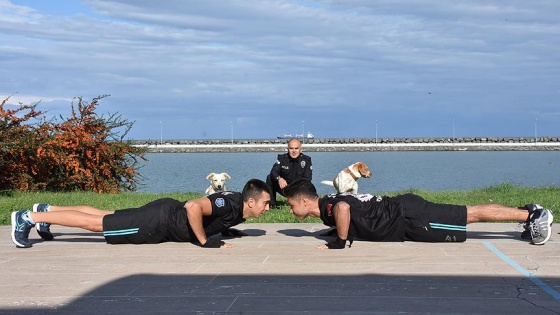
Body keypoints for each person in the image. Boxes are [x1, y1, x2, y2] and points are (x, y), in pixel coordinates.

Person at [283, 179, 554, 249]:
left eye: (293, 205)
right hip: (406, 212)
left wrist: (340, 242)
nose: (293, 210)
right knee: (467, 215)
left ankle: (532, 217)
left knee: (468, 215)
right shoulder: (328, 202)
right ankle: (526, 213)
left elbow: (344, 210)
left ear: (305, 201)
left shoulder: (331, 206)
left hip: (409, 218)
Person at [11, 179, 271, 249]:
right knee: (97, 224)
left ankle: (47, 211)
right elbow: (193, 207)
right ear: (250, 201)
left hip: (162, 212)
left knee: (105, 213)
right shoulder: (230, 205)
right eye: (266, 203)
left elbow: (215, 217)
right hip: (158, 222)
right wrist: (204, 241)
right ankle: (27, 218)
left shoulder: (237, 207)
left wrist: (227, 230)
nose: (268, 208)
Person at [266, 138, 312, 208]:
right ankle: (272, 204)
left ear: (301, 150)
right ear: (287, 149)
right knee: (269, 177)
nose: (294, 151)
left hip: (298, 190)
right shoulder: (282, 159)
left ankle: (300, 202)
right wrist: (279, 179)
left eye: (296, 148)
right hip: (284, 188)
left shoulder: (306, 160)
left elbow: (308, 179)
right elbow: (273, 171)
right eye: (291, 148)